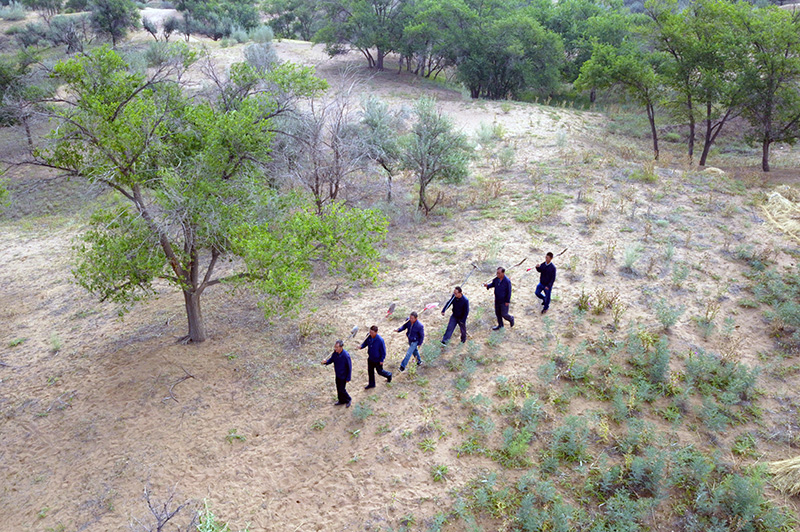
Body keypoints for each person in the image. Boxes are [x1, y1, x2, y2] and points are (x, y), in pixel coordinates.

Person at [321, 340, 352, 407]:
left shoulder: (345, 355)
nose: (335, 349)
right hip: (337, 374)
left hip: (343, 376)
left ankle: (348, 399)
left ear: (341, 347)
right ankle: (341, 400)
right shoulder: (335, 353)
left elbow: (349, 367)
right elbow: (331, 360)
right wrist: (325, 362)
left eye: (337, 347)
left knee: (342, 389)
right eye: (335, 347)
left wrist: (348, 378)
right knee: (338, 388)